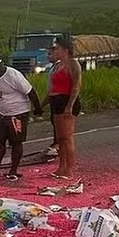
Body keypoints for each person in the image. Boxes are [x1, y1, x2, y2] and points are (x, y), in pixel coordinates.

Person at [0, 53, 44, 180]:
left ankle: (13, 171)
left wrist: (38, 108)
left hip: (18, 113)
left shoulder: (13, 75)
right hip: (3, 113)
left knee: (16, 142)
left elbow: (30, 91)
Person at [47, 38, 82, 179]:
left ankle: (69, 169)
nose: (56, 51)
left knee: (67, 137)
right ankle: (61, 167)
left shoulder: (73, 64)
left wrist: (70, 105)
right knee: (60, 138)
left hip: (67, 100)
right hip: (56, 101)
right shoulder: (58, 65)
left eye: (58, 49)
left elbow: (76, 85)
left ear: (65, 50)